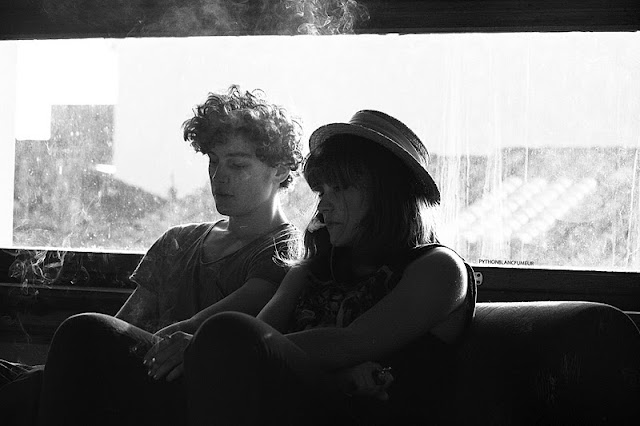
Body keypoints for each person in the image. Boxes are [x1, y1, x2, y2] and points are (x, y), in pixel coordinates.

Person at [24, 85, 303, 426]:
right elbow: (124, 324)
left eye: (237, 164)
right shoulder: (178, 240)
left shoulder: (284, 251)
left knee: (82, 331)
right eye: (213, 161)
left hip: (193, 393)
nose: (219, 176)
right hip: (137, 382)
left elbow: (220, 324)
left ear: (280, 170)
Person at [182, 109, 478, 425]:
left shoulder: (439, 268)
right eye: (322, 191)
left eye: (340, 187)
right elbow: (263, 334)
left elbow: (351, 343)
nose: (323, 205)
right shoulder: (308, 271)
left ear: (386, 193)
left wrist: (221, 353)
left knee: (226, 333)